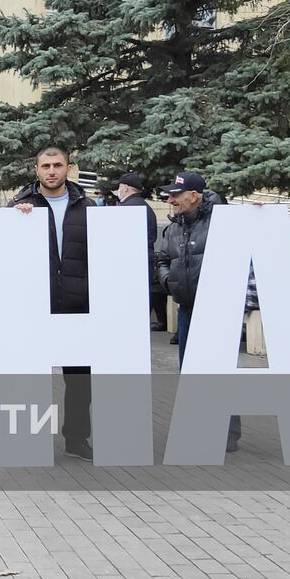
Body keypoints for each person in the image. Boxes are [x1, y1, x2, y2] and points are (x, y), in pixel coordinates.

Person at [10, 146, 94, 461]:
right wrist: (16, 216)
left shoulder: (87, 206)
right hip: (36, 307)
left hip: (77, 304)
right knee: (30, 375)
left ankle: (76, 438)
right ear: (36, 169)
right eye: (45, 165)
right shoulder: (21, 207)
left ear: (68, 168)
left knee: (80, 380)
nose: (51, 171)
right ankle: (28, 439)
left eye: (58, 165)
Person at [157, 171, 240, 453]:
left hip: (216, 309)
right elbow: (163, 258)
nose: (170, 200)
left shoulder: (223, 221)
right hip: (188, 308)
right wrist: (169, 281)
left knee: (219, 371)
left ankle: (227, 433)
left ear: (193, 196)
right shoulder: (175, 226)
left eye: (175, 195)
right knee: (190, 371)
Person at [116, 173, 166, 333]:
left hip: (128, 267)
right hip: (145, 263)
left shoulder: (126, 209)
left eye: (119, 187)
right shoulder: (145, 208)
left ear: (124, 188)